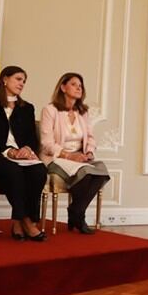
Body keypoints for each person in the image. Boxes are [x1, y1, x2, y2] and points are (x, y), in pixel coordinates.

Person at [0, 66, 47, 241]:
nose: (22, 83)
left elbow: (31, 137)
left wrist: (27, 149)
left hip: (22, 155)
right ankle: (27, 221)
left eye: (24, 81)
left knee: (39, 171)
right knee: (13, 172)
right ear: (5, 79)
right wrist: (9, 151)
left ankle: (18, 220)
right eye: (18, 79)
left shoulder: (26, 108)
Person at [39, 73, 110, 233]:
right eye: (74, 84)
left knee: (101, 171)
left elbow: (90, 137)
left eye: (81, 85)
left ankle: (75, 211)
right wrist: (70, 156)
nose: (79, 87)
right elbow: (46, 143)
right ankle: (79, 216)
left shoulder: (83, 112)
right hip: (57, 157)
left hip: (80, 156)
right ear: (63, 87)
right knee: (86, 173)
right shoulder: (50, 110)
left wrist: (89, 152)